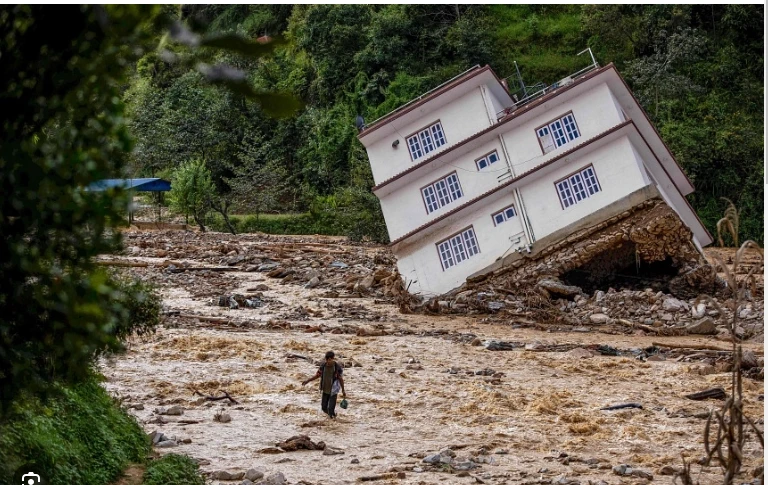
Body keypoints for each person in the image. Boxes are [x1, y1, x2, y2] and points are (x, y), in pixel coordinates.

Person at [302, 351, 346, 418]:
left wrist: (343, 390)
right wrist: (307, 380)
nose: (329, 361)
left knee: (330, 409)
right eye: (328, 359)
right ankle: (333, 417)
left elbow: (340, 379)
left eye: (331, 359)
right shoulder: (323, 366)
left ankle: (332, 420)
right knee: (323, 408)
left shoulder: (336, 367)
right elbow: (317, 375)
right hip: (325, 389)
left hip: (333, 391)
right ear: (326, 359)